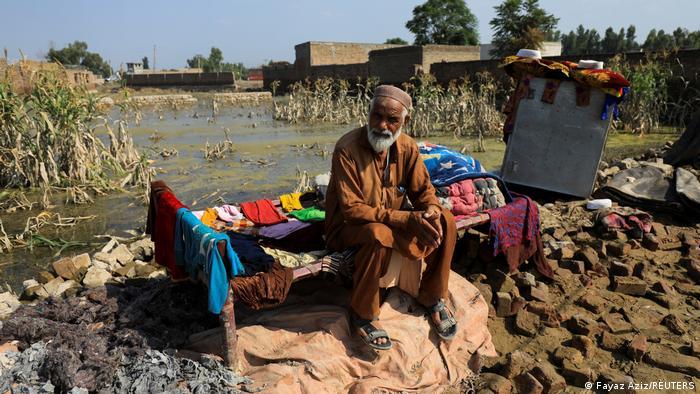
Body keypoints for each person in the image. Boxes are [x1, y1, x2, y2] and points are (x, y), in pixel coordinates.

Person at [324, 85, 458, 350]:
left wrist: (430, 209)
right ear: (369, 113)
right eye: (377, 116)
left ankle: (432, 297)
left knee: (446, 219)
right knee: (378, 234)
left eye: (392, 120)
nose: (382, 125)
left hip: (390, 220)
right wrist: (405, 219)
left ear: (404, 122)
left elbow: (423, 192)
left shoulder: (407, 148)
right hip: (348, 229)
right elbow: (352, 210)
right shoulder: (347, 149)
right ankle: (363, 314)